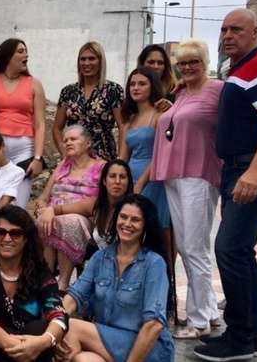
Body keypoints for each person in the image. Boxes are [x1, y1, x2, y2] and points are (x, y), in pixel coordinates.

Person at [195, 9, 257, 361]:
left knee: (230, 248)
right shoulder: (240, 69)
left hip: (251, 167)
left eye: (236, 29)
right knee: (239, 250)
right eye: (224, 30)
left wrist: (256, 170)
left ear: (255, 32)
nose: (228, 35)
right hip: (237, 167)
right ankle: (244, 335)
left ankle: (242, 339)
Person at [151, 39, 223, 340]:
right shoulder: (180, 93)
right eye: (183, 63)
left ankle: (198, 320)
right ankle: (210, 311)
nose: (188, 67)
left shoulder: (218, 89)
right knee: (186, 246)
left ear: (205, 63)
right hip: (173, 174)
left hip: (199, 174)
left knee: (195, 248)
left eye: (194, 61)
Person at [60, 194, 174, 362]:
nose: (127, 223)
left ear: (145, 225)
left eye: (135, 220)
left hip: (146, 349)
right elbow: (74, 297)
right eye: (123, 217)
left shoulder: (154, 263)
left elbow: (154, 325)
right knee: (82, 359)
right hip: (110, 343)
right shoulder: (100, 258)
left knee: (72, 327)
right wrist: (54, 323)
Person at [0, 206, 68, 362]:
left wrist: (45, 341)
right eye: (0, 232)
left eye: (15, 233)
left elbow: (58, 313)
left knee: (38, 329)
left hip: (32, 350)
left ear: (26, 238)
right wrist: (13, 345)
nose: (7, 239)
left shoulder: (38, 269)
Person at [35, 125, 105, 290]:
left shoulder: (101, 167)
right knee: (43, 222)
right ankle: (47, 281)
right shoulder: (62, 165)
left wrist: (53, 211)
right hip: (52, 215)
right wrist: (42, 209)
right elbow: (43, 197)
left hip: (83, 217)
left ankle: (62, 284)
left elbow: (98, 203)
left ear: (88, 143)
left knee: (68, 222)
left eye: (73, 139)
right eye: (65, 140)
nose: (67, 143)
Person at [0, 38, 47, 208]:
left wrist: (38, 157)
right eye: (20, 51)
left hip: (24, 148)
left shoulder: (34, 84)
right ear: (7, 55)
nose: (26, 55)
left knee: (19, 201)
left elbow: (40, 123)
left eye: (26, 51)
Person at [119, 67, 172, 256]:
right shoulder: (129, 120)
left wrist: (141, 183)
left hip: (153, 178)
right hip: (131, 177)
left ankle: (166, 271)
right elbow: (123, 157)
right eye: (132, 84)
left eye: (142, 83)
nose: (136, 87)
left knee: (158, 229)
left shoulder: (160, 116)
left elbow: (160, 154)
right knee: (132, 230)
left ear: (152, 86)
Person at [53, 41, 124, 160]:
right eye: (83, 59)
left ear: (100, 62)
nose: (86, 63)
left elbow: (123, 126)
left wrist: (121, 158)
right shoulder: (68, 92)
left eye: (92, 59)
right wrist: (63, 151)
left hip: (103, 158)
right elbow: (57, 128)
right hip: (74, 159)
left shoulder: (113, 90)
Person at [90, 159, 133, 251]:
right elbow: (61, 209)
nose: (117, 181)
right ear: (104, 181)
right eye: (112, 176)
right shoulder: (96, 205)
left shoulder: (136, 209)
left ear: (128, 182)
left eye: (122, 177)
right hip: (100, 258)